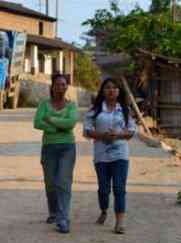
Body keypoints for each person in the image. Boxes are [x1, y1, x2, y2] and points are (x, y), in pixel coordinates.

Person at [83, 78, 137, 234]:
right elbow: (87, 130)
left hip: (120, 154)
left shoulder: (125, 109)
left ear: (119, 91)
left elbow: (132, 131)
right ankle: (104, 210)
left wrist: (118, 135)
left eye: (114, 88)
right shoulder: (95, 109)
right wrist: (102, 135)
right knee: (104, 188)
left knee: (119, 188)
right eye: (107, 88)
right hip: (101, 155)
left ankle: (119, 222)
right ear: (103, 91)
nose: (111, 90)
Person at [34, 74, 80, 234]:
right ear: (52, 86)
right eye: (58, 84)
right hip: (49, 147)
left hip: (67, 147)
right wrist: (60, 126)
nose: (61, 87)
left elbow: (71, 123)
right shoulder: (44, 105)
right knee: (50, 184)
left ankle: (63, 219)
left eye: (64, 85)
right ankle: (53, 212)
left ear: (67, 87)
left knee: (63, 182)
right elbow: (37, 122)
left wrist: (51, 121)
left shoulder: (72, 106)